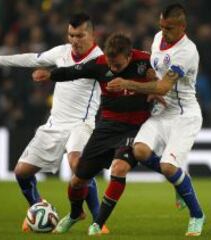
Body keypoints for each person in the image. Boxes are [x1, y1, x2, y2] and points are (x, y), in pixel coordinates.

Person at [0, 13, 109, 233]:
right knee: (21, 172)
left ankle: (98, 220)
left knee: (78, 166)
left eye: (79, 35)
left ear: (91, 34)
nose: (74, 40)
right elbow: (32, 58)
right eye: (71, 35)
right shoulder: (62, 52)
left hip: (82, 124)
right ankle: (37, 208)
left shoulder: (100, 59)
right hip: (54, 124)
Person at [32, 33, 155, 235]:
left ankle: (97, 223)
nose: (112, 68)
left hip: (134, 128)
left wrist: (155, 86)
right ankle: (75, 214)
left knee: (119, 167)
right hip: (106, 128)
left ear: (128, 56)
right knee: (78, 180)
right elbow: (73, 71)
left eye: (117, 65)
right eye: (110, 64)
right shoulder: (99, 63)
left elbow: (166, 78)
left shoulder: (145, 60)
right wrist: (50, 74)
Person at [107, 3, 205, 236]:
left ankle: (197, 215)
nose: (164, 31)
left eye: (169, 28)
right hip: (162, 112)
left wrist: (129, 84)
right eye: (161, 26)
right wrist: (150, 84)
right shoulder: (158, 38)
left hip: (184, 114)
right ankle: (182, 180)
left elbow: (162, 86)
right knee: (140, 151)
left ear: (182, 26)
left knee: (168, 167)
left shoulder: (187, 51)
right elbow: (156, 71)